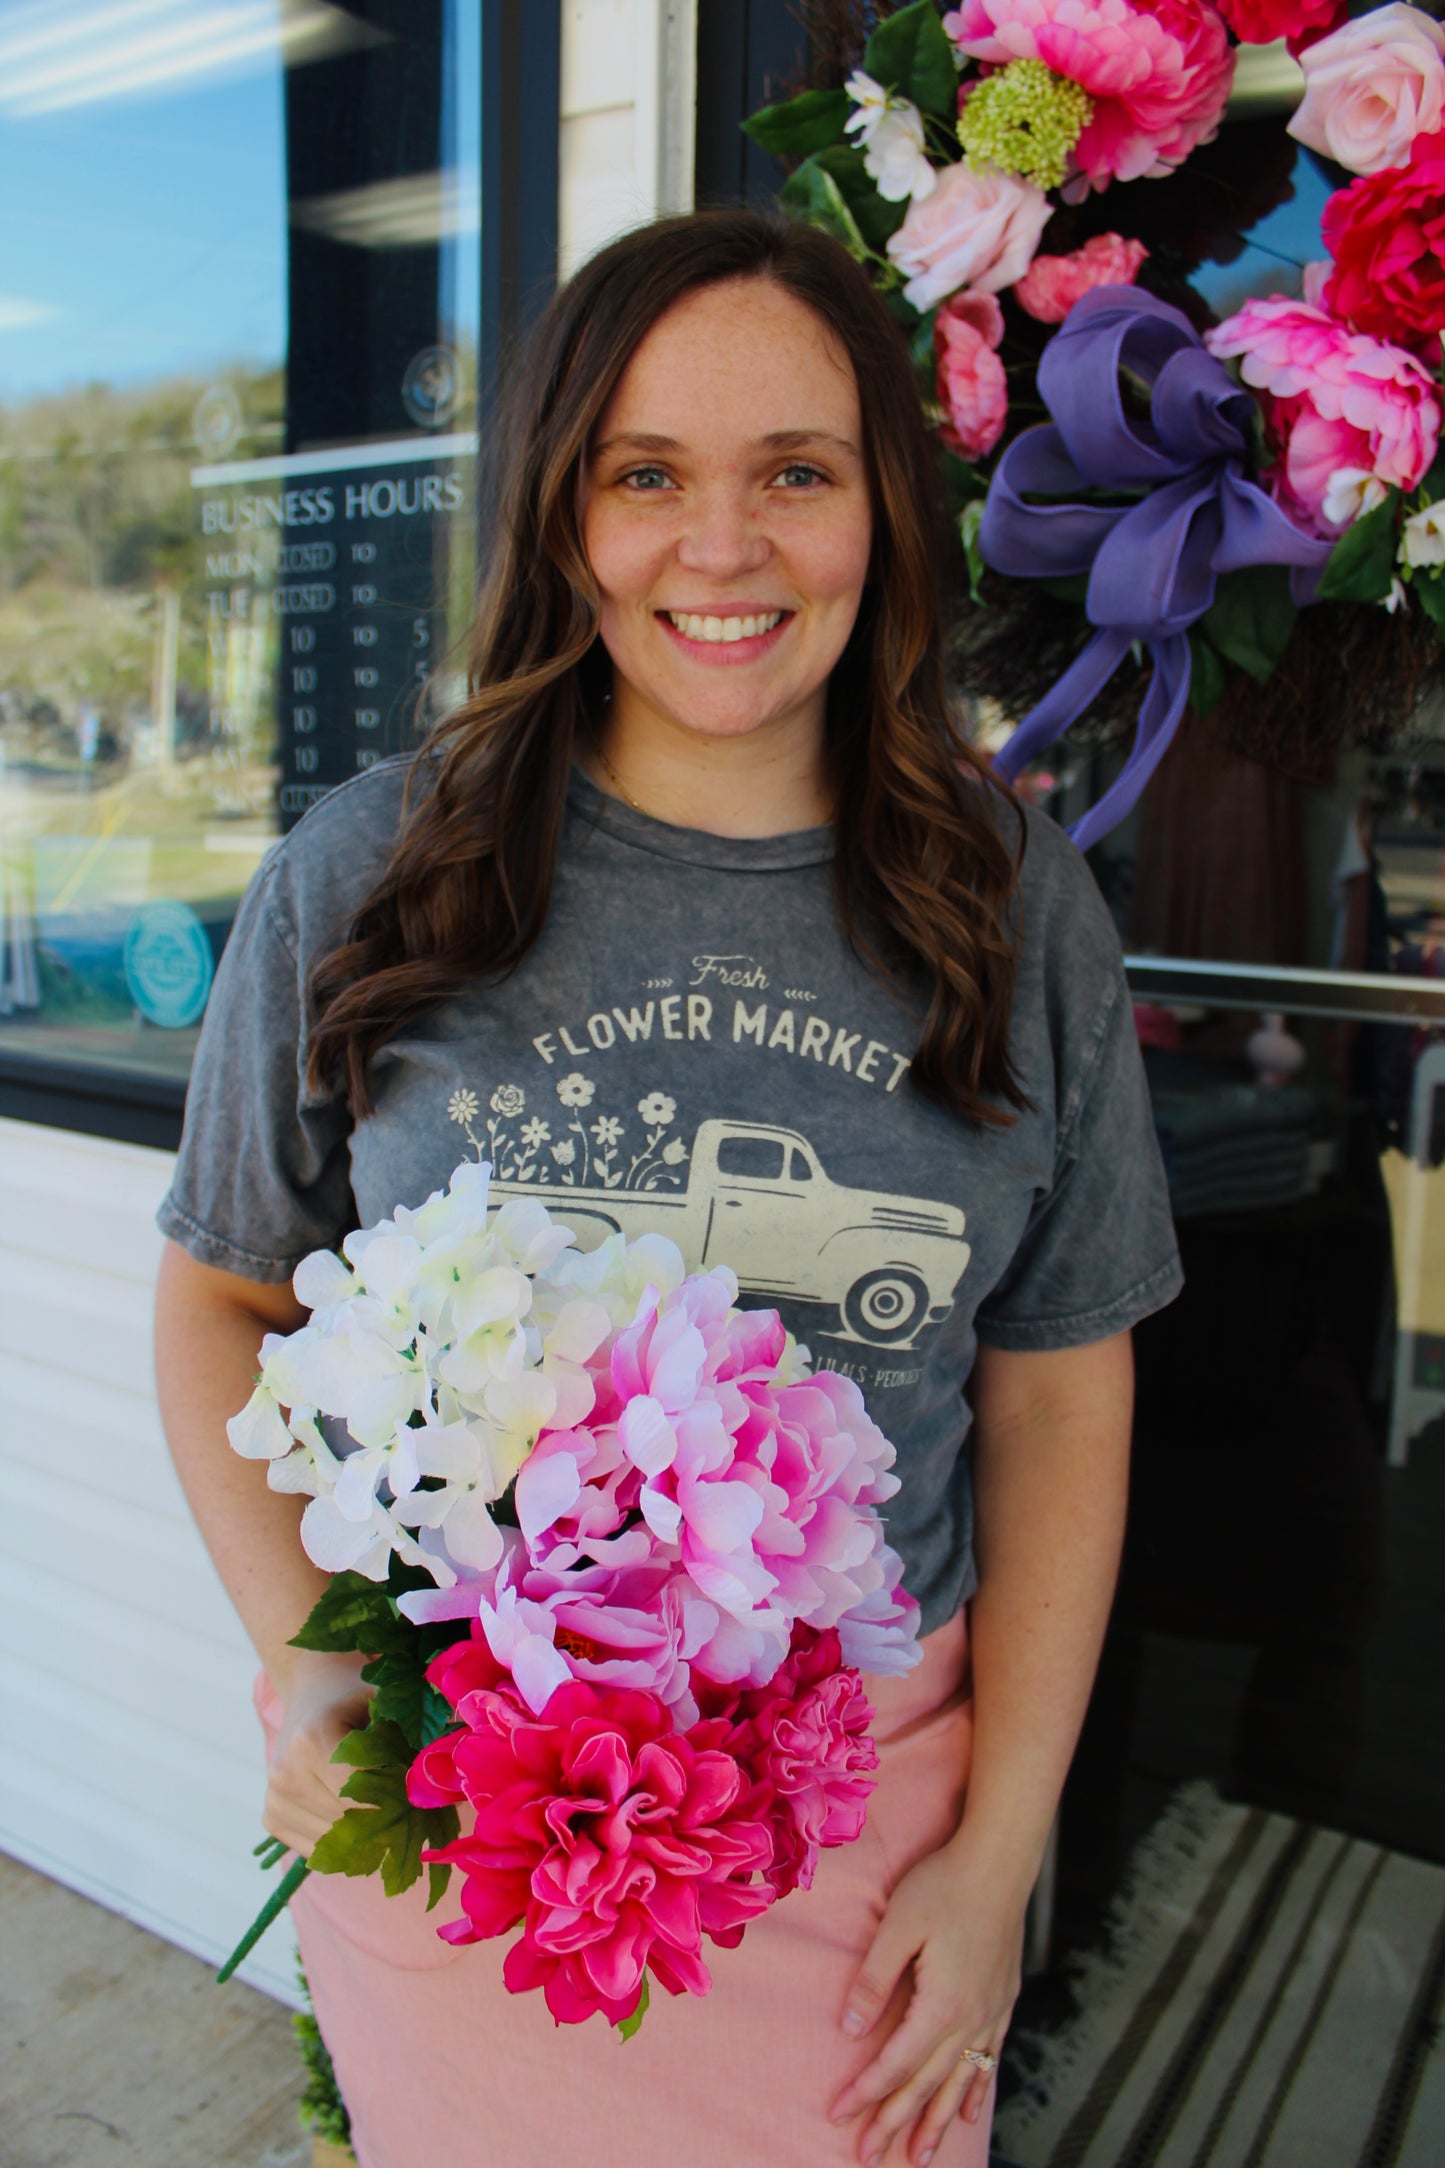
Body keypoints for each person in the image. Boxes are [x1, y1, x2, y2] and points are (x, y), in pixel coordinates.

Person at [153, 210, 1182, 2168]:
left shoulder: (1008, 897)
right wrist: (307, 1667)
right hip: (477, 1813)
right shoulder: (376, 866)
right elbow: (220, 1297)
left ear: (881, 505)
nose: (722, 549)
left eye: (796, 472)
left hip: (864, 1829)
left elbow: (1059, 1386)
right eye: (647, 476)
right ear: (560, 508)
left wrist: (1002, 1857)